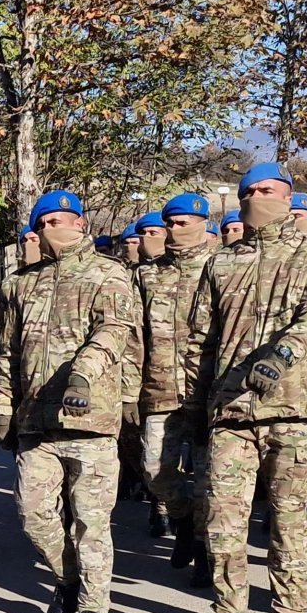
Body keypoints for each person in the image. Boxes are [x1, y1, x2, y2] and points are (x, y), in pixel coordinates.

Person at [185, 163, 307, 613]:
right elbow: (200, 342)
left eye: (267, 190)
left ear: (288, 196)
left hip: (291, 411)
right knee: (222, 520)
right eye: (249, 191)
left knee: (288, 517)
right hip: (229, 412)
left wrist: (283, 355)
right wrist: (194, 406)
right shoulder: (220, 262)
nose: (256, 197)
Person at [0, 189, 140, 613]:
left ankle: (95, 608)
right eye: (46, 221)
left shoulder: (109, 274)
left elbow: (114, 332)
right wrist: (2, 408)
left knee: (91, 520)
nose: (56, 227)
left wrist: (82, 377)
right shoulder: (20, 285)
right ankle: (68, 578)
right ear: (37, 230)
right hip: (35, 422)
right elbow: (7, 353)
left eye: (64, 219)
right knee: (33, 514)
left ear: (80, 223)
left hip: (89, 419)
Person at [136, 194, 214, 564]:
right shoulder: (148, 274)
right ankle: (182, 520)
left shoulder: (221, 267)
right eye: (170, 223)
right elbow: (134, 337)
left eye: (183, 223)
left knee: (207, 478)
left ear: (202, 224)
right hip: (160, 388)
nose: (174, 230)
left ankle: (202, 546)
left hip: (209, 391)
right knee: (156, 469)